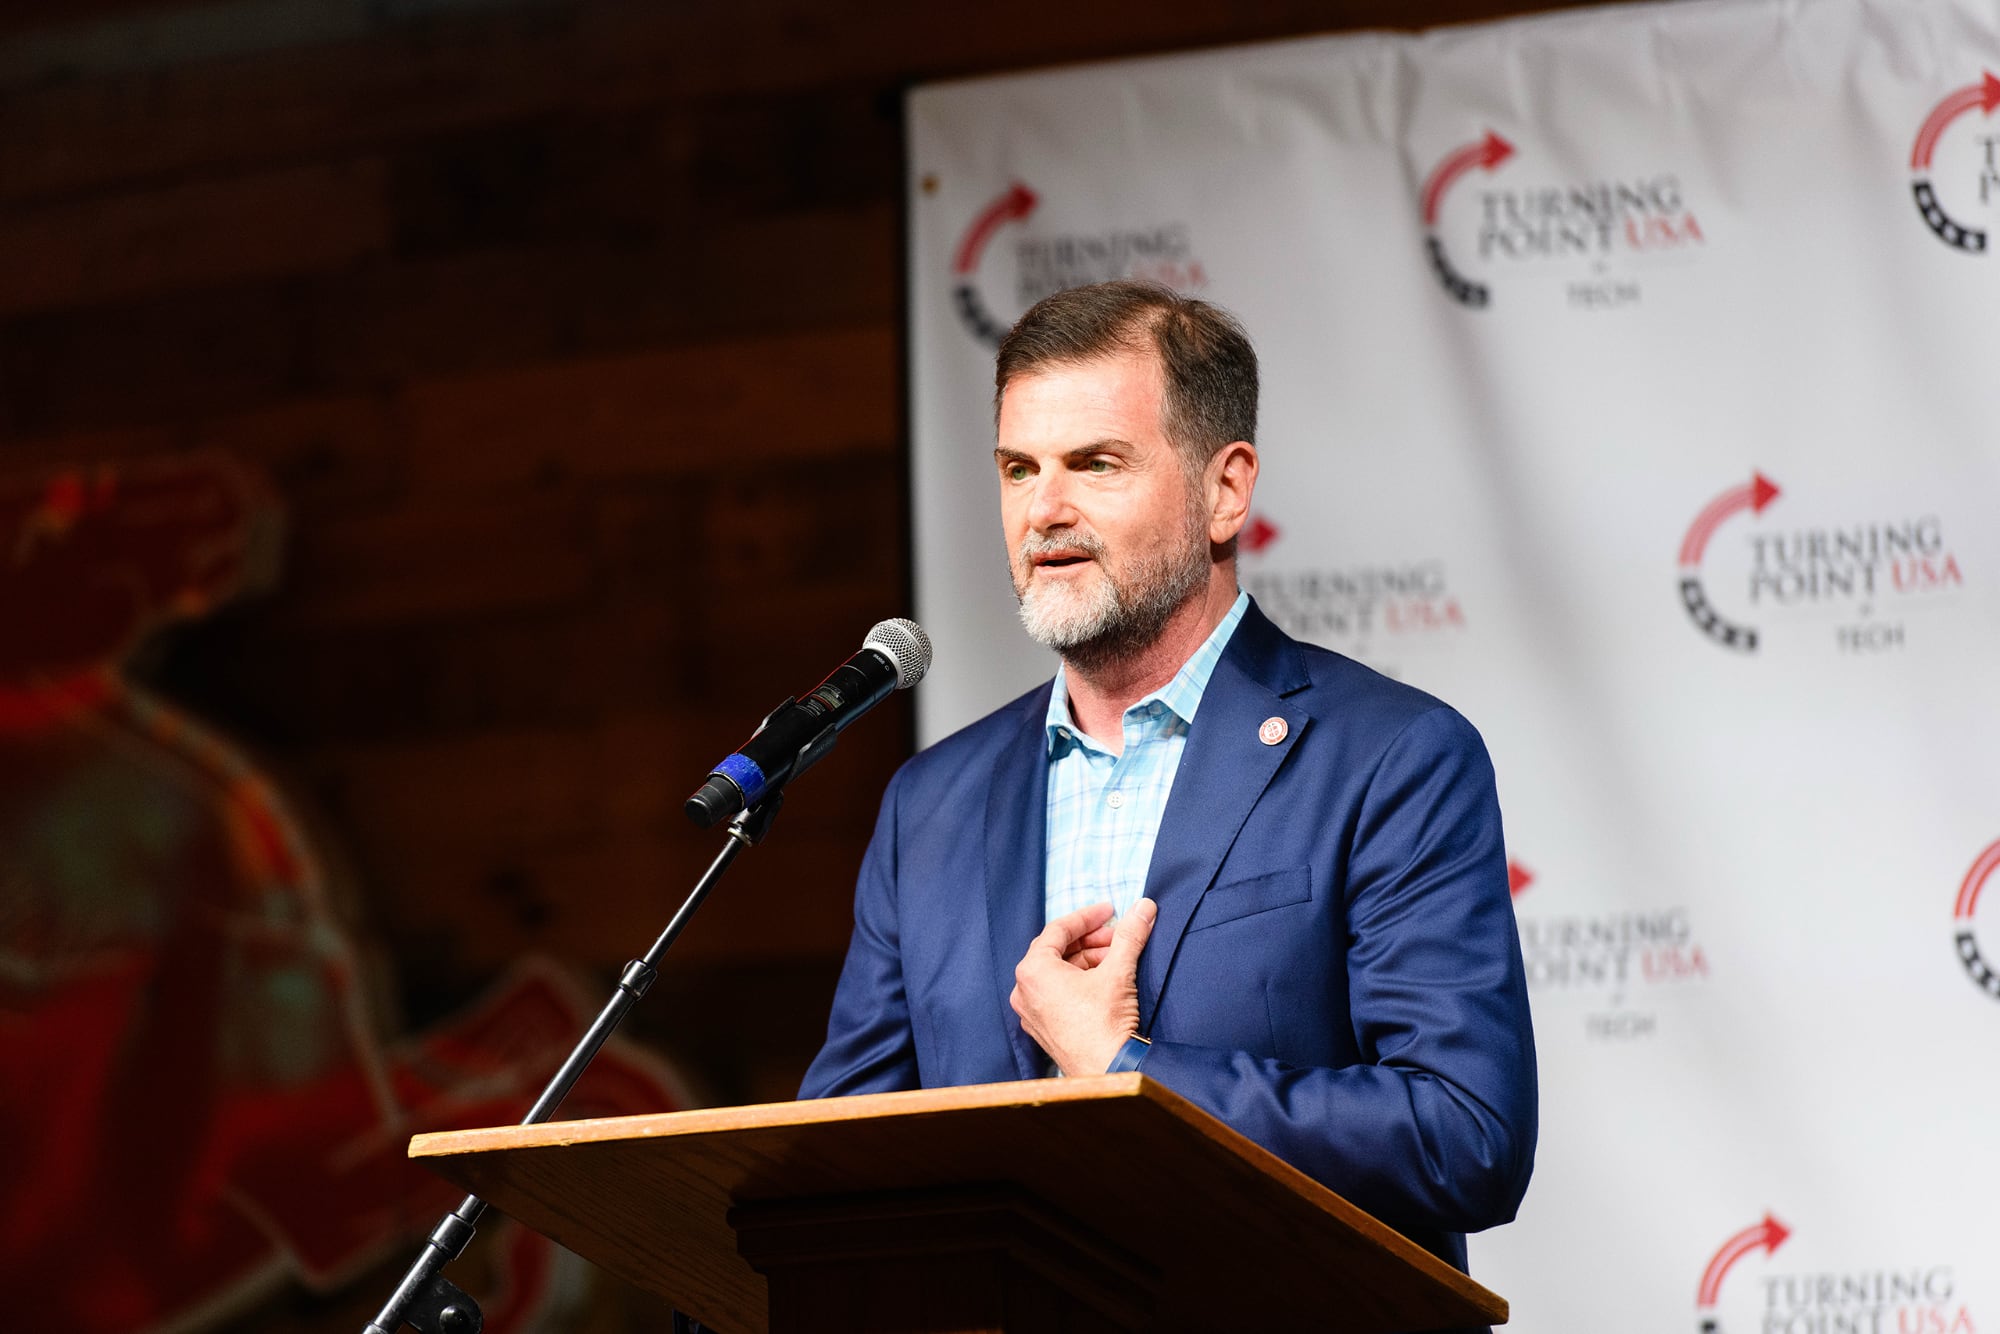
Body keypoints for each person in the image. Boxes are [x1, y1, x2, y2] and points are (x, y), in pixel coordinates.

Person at [800, 280, 1536, 1300]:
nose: (1043, 510)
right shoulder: (930, 802)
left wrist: (1125, 1067)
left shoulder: (1391, 757)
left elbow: (1465, 1133)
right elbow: (835, 1166)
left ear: (1224, 490)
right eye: (1018, 469)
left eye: (1095, 463)